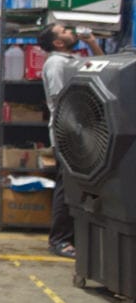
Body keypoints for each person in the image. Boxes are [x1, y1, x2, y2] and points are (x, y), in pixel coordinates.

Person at [37, 22, 103, 259]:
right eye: (65, 31)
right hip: (67, 133)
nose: (71, 32)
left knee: (80, 184)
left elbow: (106, 69)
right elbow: (61, 98)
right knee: (67, 186)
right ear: (57, 42)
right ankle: (60, 240)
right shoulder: (56, 64)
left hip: (84, 132)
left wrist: (93, 43)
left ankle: (75, 237)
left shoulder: (73, 58)